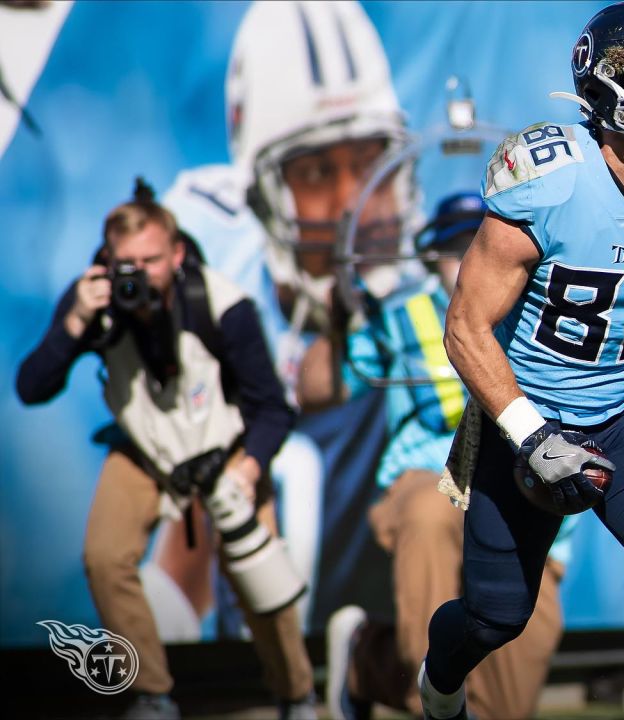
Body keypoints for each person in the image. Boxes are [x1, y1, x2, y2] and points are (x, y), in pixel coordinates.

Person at [420, 2, 624, 719]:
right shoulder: (549, 178)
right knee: (496, 617)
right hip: (528, 409)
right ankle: (439, 683)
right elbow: (468, 327)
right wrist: (531, 434)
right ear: (599, 86)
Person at [15, 181, 315, 720]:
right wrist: (75, 324)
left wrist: (248, 470)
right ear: (108, 258)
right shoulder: (93, 301)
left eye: (150, 260)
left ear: (176, 254)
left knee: (260, 574)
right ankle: (150, 694)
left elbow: (272, 407)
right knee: (105, 556)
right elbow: (31, 387)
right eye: (124, 261)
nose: (137, 274)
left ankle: (296, 695)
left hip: (223, 448)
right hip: (144, 448)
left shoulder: (223, 304)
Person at [161, 0, 408, 640]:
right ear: (261, 191)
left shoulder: (419, 276)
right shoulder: (205, 248)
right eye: (320, 170)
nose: (355, 200)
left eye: (371, 160)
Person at [309, 192, 563, 720]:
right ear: (429, 256)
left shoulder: (542, 316)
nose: (467, 258)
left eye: (478, 243)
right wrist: (333, 320)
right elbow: (319, 387)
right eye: (453, 248)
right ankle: (424, 692)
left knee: (520, 668)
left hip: (522, 485)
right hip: (429, 475)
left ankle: (364, 657)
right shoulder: (400, 315)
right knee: (430, 517)